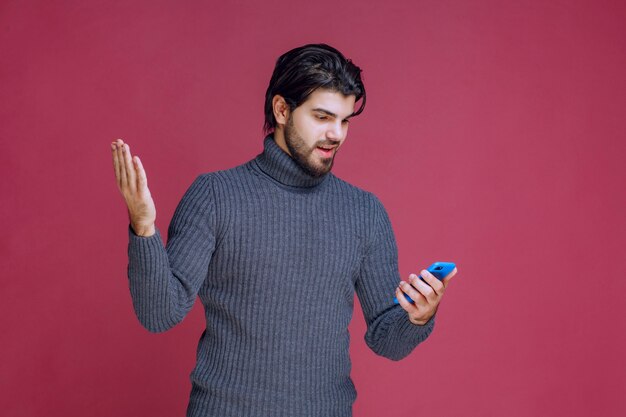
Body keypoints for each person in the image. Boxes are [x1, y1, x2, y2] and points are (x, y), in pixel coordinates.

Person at [111, 43, 456, 417]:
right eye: (323, 117)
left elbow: (387, 340)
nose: (336, 134)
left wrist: (418, 316)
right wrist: (144, 228)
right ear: (281, 110)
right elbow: (160, 313)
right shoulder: (215, 195)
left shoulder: (364, 212)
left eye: (344, 121)